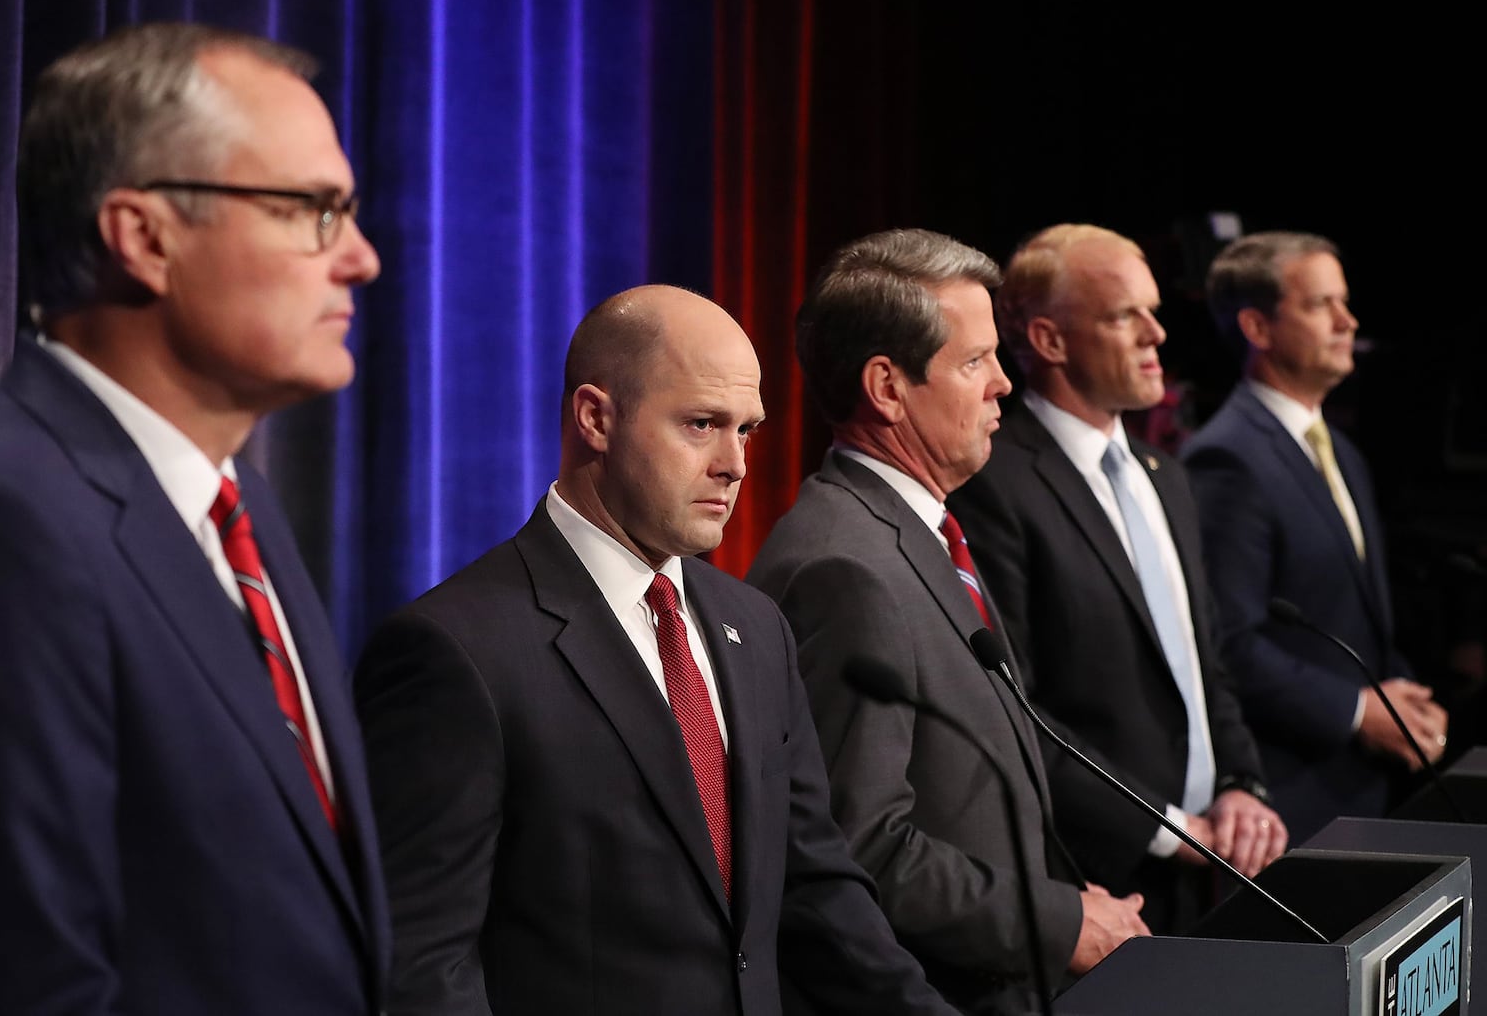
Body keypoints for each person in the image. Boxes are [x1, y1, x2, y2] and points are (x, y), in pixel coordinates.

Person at [0, 22, 388, 1014]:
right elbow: (17, 984)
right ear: (144, 236)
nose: (361, 259)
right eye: (312, 209)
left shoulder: (236, 515)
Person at [355, 285, 958, 1016]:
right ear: (595, 418)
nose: (734, 464)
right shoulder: (456, 648)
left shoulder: (757, 627)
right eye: (702, 424)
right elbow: (424, 966)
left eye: (747, 431)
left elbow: (814, 888)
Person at [746, 229, 1148, 1014]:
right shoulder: (846, 570)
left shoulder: (921, 533)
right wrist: (1058, 920)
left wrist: (1067, 899)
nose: (1004, 383)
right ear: (887, 388)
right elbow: (860, 849)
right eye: (974, 362)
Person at [948, 224, 1286, 933]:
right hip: (1094, 881)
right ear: (1048, 340)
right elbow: (1015, 710)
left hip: (1212, 871)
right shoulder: (994, 484)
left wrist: (1240, 785)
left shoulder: (1167, 476)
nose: (1156, 334)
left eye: (1154, 311)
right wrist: (1167, 830)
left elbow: (1204, 664)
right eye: (1124, 316)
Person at [1182, 231, 1445, 840]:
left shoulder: (1343, 452)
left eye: (1344, 302)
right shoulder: (1227, 459)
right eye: (1320, 305)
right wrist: (1357, 712)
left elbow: (1351, 617)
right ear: (1257, 326)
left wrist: (1404, 701)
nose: (1347, 321)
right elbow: (1230, 643)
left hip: (1364, 782)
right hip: (1297, 798)